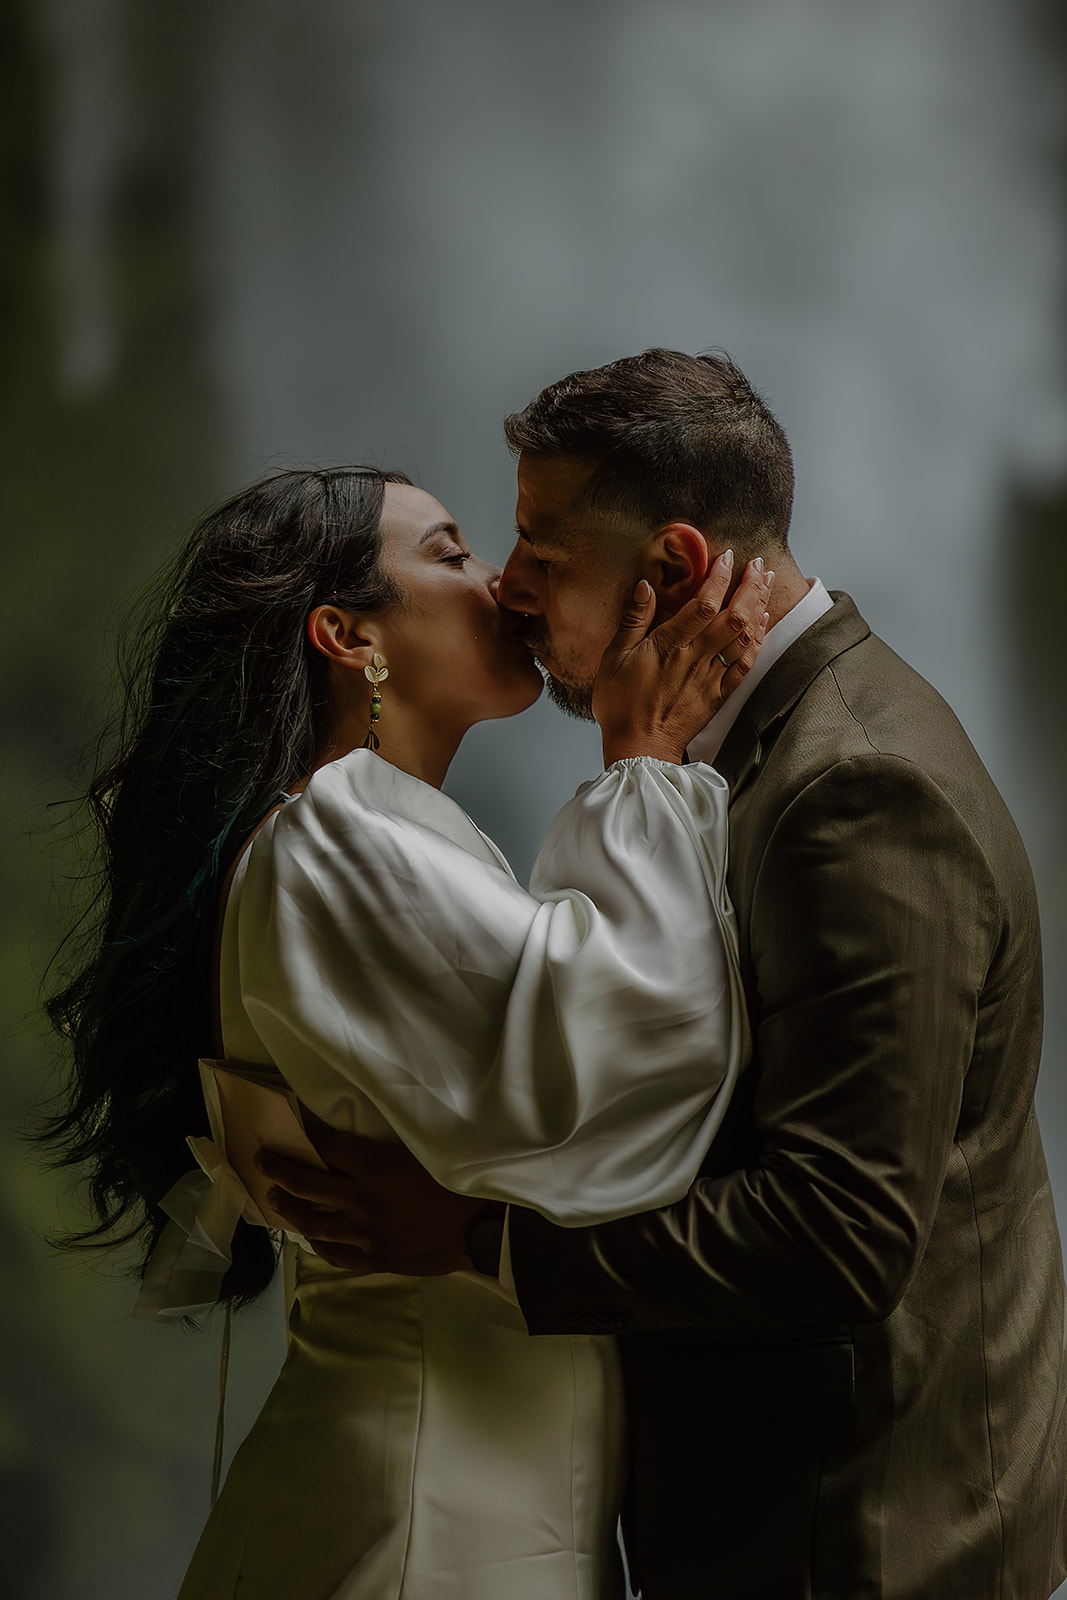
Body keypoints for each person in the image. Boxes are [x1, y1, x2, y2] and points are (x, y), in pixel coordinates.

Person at [263, 352, 1067, 1600]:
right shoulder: (742, 756)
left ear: (674, 571)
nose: (506, 587)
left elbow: (840, 1231)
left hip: (859, 1540)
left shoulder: (855, 787)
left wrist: (484, 1244)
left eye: (537, 544)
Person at [43, 464, 775, 1600]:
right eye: (448, 553)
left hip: (465, 1481)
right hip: (424, 1510)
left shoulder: (373, 833)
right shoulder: (331, 837)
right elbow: (599, 1065)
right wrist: (638, 758)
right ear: (344, 635)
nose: (500, 585)